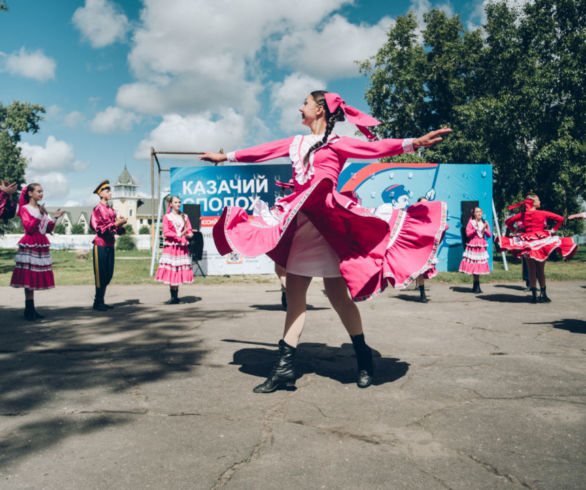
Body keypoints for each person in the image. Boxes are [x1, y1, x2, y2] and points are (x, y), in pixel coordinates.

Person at [201, 90, 451, 393]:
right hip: (303, 228)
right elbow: (262, 151)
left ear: (320, 110)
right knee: (295, 300)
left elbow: (376, 149)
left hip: (330, 229)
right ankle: (283, 370)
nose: (300, 107)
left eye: (305, 103)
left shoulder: (338, 144)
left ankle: (363, 360)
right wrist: (225, 157)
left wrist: (414, 142)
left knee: (339, 299)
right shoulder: (295, 143)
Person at [499, 193, 577, 303]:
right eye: (538, 200)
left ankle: (534, 295)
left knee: (531, 269)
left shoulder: (522, 215)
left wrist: (515, 231)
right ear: (533, 203)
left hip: (528, 243)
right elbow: (560, 219)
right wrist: (553, 230)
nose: (540, 202)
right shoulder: (542, 213)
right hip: (541, 242)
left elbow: (508, 222)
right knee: (541, 269)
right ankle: (543, 294)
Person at [10, 183, 64, 320]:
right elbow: (29, 227)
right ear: (30, 193)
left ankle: (30, 310)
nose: (41, 194)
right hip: (30, 243)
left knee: (34, 276)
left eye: (42, 191)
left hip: (40, 244)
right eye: (38, 191)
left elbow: (47, 229)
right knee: (28, 276)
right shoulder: (24, 208)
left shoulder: (42, 210)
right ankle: (29, 310)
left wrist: (55, 217)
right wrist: (40, 215)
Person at [90, 180, 127, 311]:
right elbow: (98, 229)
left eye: (110, 190)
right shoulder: (97, 210)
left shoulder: (111, 210)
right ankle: (97, 301)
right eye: (107, 191)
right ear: (100, 194)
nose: (110, 193)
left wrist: (121, 225)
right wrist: (116, 224)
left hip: (110, 244)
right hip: (100, 245)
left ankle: (101, 300)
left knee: (108, 274)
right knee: (100, 274)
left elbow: (113, 230)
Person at [155, 196, 194, 303]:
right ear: (170, 204)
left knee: (178, 270)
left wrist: (189, 234)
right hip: (172, 247)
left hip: (181, 247)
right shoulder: (167, 217)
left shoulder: (184, 216)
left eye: (179, 202)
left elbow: (189, 230)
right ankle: (173, 297)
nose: (178, 204)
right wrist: (180, 234)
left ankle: (175, 297)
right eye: (175, 202)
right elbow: (166, 232)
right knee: (172, 269)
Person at [459, 206, 491, 293]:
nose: (479, 213)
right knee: (474, 264)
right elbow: (468, 234)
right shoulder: (471, 222)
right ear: (474, 213)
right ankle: (476, 285)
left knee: (479, 265)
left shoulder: (485, 222)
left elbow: (489, 235)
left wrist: (485, 227)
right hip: (473, 244)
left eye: (480, 211)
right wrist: (476, 229)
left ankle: (476, 285)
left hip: (481, 245)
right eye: (477, 212)